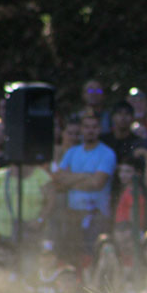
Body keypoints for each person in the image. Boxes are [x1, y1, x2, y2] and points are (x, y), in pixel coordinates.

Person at [52, 111, 117, 266]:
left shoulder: (107, 153)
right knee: (72, 260)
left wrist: (71, 179)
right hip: (72, 216)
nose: (90, 130)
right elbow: (57, 181)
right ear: (81, 129)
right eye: (86, 127)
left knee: (93, 258)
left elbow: (97, 183)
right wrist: (87, 175)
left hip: (96, 216)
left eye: (94, 127)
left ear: (99, 129)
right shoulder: (72, 152)